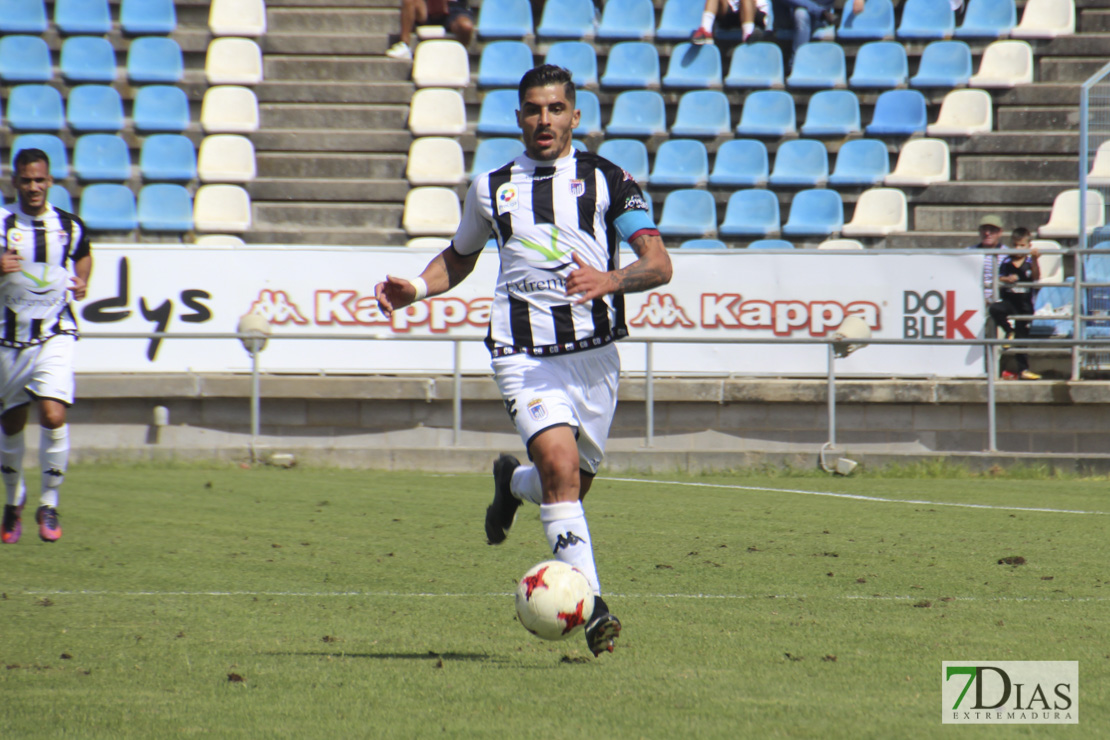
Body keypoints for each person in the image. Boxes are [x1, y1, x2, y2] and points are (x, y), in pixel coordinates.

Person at [375, 65, 672, 656]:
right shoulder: (492, 187)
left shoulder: (609, 180)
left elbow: (658, 264)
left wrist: (610, 278)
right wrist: (417, 286)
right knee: (561, 470)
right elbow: (459, 257)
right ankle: (593, 609)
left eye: (556, 109)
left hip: (594, 358)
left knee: (571, 485)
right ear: (518, 117)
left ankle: (512, 484)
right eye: (534, 109)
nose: (544, 119)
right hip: (522, 353)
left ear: (575, 117)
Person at [0, 149, 92, 545]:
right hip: (8, 338)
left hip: (56, 331)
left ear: (50, 181)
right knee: (12, 423)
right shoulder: (2, 224)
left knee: (53, 415)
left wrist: (83, 281)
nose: (33, 187)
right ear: (15, 182)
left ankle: (49, 503)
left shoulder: (68, 226)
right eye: (26, 180)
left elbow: (84, 257)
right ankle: (12, 501)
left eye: (40, 180)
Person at [990, 227, 1041, 380]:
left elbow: (1036, 277)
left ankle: (1023, 370)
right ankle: (1008, 331)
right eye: (1015, 245)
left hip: (1025, 305)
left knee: (1022, 339)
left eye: (1021, 245)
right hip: (1010, 302)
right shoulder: (1006, 261)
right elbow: (998, 277)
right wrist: (1006, 279)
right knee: (994, 309)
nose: (1018, 249)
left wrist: (1036, 260)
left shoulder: (1030, 261)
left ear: (1028, 246)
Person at [386, 0, 475, 61]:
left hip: (454, 7)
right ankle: (404, 44)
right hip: (427, 6)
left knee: (465, 26)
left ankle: (460, 56)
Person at [690, 0, 772, 44]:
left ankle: (748, 34)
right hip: (732, 14)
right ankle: (705, 31)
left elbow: (762, 9)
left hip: (753, 16)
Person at [969, 214, 1007, 305]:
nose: (987, 233)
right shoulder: (968, 252)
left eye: (992, 230)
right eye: (984, 229)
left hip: (999, 300)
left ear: (1000, 232)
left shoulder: (1008, 254)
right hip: (972, 298)